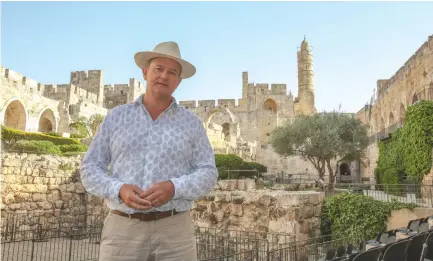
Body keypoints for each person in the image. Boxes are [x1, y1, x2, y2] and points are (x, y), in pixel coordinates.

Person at [80, 41, 218, 261]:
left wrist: (174, 188)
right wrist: (119, 189)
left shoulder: (192, 123)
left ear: (178, 81)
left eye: (172, 72)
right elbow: (89, 168)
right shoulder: (117, 117)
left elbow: (208, 171)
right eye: (158, 69)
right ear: (145, 72)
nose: (164, 76)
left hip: (175, 231)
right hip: (122, 231)